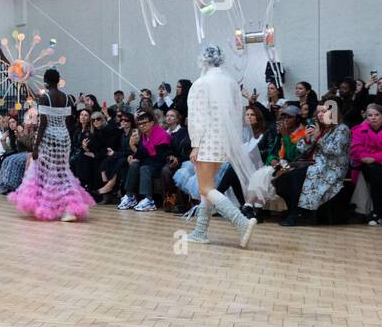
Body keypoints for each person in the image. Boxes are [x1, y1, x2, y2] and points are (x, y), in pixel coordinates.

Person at [180, 45, 258, 247]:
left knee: (205, 187)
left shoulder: (200, 83)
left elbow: (197, 118)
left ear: (204, 60)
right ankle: (200, 231)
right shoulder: (231, 82)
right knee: (210, 188)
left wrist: (195, 145)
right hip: (224, 142)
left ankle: (241, 222)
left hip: (206, 140)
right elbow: (235, 114)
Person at [9, 69, 94, 223]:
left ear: (46, 81)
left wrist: (35, 146)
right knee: (62, 172)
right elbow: (68, 121)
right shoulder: (67, 98)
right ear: (58, 80)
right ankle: (68, 208)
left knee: (47, 172)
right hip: (64, 138)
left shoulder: (45, 97)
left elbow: (43, 124)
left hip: (49, 138)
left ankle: (53, 207)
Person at [276, 100, 351, 226]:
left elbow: (335, 151)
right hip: (315, 165)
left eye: (324, 111)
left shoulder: (342, 129)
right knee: (283, 179)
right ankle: (294, 210)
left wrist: (317, 138)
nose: (320, 114)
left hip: (332, 167)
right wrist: (307, 139)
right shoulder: (319, 128)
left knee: (295, 177)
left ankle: (294, 214)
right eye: (319, 112)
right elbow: (301, 149)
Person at [117, 110, 174, 211]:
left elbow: (158, 157)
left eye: (144, 123)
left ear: (152, 123)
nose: (142, 126)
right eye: (140, 124)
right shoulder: (144, 135)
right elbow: (143, 153)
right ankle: (130, 196)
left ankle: (149, 200)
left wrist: (136, 152)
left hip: (160, 164)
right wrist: (134, 154)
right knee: (133, 164)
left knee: (144, 167)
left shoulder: (162, 135)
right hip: (150, 161)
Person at [349, 102, 382, 226]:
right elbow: (356, 148)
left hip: (377, 161)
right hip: (363, 163)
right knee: (375, 173)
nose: (373, 117)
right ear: (366, 117)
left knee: (377, 173)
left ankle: (377, 212)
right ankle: (377, 212)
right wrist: (365, 157)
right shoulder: (359, 130)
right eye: (370, 115)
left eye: (376, 115)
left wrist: (374, 158)